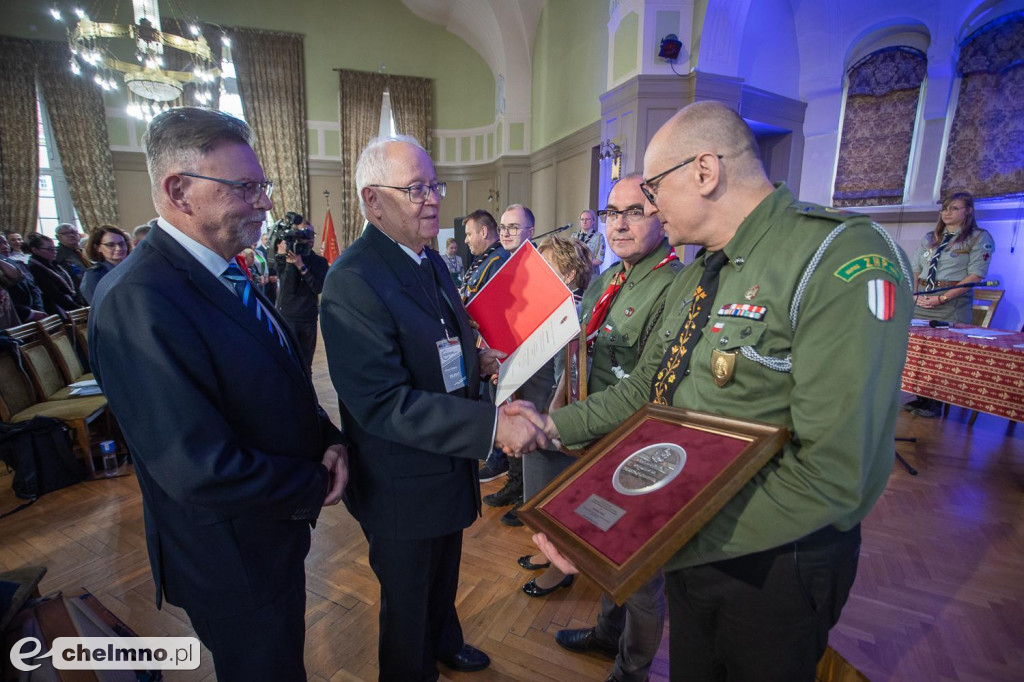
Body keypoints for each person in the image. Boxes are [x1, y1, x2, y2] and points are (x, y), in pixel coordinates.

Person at [515, 100, 913, 682]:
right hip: (694, 541)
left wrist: (642, 533)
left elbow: (835, 472)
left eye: (653, 187)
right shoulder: (705, 271)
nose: (647, 206)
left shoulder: (839, 257)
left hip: (774, 559)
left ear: (705, 172)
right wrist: (550, 429)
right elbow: (648, 396)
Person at [88, 107, 348, 682]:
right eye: (245, 187)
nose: (264, 203)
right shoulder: (140, 298)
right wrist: (314, 480)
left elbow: (279, 379)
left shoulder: (222, 272)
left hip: (264, 535)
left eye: (264, 187)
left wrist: (327, 440)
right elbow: (196, 465)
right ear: (179, 191)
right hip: (229, 557)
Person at [319, 135, 547, 682]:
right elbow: (383, 403)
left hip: (445, 462)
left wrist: (480, 359)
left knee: (443, 575)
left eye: (433, 186)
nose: (431, 200)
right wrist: (492, 426)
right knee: (407, 600)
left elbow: (448, 333)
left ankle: (446, 641)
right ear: (373, 201)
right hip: (402, 479)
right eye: (415, 188)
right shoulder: (352, 281)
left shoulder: (429, 259)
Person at [531, 175, 682, 682]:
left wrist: (552, 424)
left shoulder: (675, 285)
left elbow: (645, 390)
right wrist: (557, 406)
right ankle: (605, 633)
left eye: (635, 211)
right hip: (596, 440)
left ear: (661, 215)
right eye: (613, 211)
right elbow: (581, 355)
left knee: (641, 574)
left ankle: (631, 670)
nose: (620, 222)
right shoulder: (606, 280)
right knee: (605, 550)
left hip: (640, 447)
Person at [484, 204, 557, 526]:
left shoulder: (543, 266)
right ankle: (515, 483)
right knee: (510, 416)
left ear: (531, 231)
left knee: (530, 423)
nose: (506, 233)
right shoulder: (498, 265)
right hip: (506, 358)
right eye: (502, 227)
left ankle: (532, 495)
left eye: (514, 227)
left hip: (537, 363)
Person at [906, 191, 995, 417]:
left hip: (950, 303)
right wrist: (915, 294)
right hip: (922, 299)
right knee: (918, 350)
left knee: (941, 354)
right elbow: (915, 269)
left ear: (969, 211)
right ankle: (921, 397)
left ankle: (936, 401)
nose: (947, 212)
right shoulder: (930, 238)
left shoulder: (978, 238)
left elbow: (975, 276)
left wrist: (942, 298)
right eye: (945, 208)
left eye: (954, 208)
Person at [274, 222, 329, 370]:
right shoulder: (285, 258)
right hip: (287, 316)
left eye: (312, 235)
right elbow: (287, 287)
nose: (310, 239)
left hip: (307, 318)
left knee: (306, 365)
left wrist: (301, 266)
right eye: (305, 235)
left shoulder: (320, 262)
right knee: (286, 364)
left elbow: (317, 287)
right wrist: (287, 260)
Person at [27, 233, 85, 314]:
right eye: (49, 249)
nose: (54, 251)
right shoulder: (34, 268)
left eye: (54, 248)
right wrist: (76, 308)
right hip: (55, 309)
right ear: (35, 250)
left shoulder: (54, 263)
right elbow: (52, 293)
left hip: (71, 304)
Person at [460, 209, 508, 304]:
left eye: (469, 234)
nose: (466, 240)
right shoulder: (483, 259)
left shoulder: (497, 261)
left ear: (483, 232)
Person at [80, 225, 133, 303]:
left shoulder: (132, 268)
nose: (119, 248)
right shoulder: (94, 275)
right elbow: (98, 306)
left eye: (121, 243)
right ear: (97, 248)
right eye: (111, 245)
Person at [0, 234, 46, 322]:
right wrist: (28, 313)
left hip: (33, 314)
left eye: (5, 242)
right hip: (14, 318)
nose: (4, 246)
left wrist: (38, 309)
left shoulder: (15, 262)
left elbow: (33, 287)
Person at [574, 208, 606, 274]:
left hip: (591, 274)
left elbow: (599, 260)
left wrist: (583, 263)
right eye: (582, 219)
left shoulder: (599, 237)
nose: (584, 221)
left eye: (587, 219)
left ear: (593, 221)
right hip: (576, 274)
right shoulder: (574, 236)